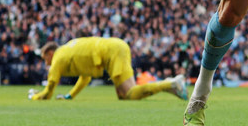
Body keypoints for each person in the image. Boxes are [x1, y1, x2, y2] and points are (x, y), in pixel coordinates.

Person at [28, 37, 187, 101]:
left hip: (112, 52)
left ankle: (171, 83)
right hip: (115, 46)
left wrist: (34, 96)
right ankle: (171, 86)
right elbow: (85, 77)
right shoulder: (68, 49)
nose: (46, 63)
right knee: (123, 96)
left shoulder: (58, 57)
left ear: (50, 53)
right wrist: (70, 96)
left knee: (129, 93)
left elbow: (48, 92)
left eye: (45, 58)